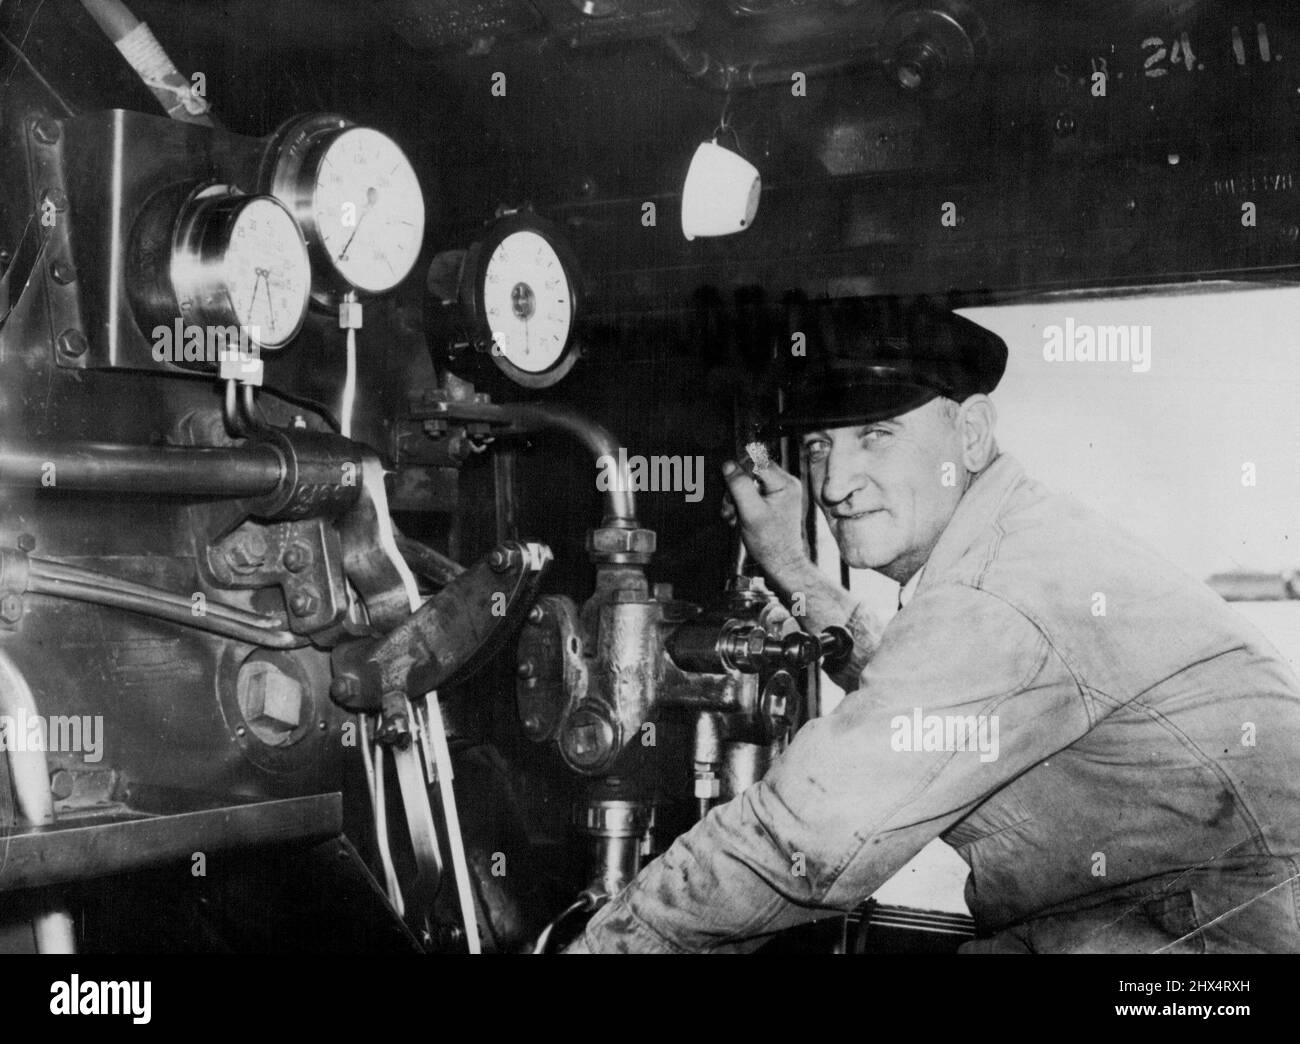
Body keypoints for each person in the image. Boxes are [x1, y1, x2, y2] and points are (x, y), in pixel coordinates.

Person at [566, 300, 1300, 953]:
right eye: (821, 445)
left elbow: (804, 839)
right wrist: (792, 567)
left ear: (972, 434)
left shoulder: (997, 593)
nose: (832, 483)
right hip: (1148, 921)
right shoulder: (1012, 542)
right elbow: (928, 706)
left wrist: (606, 946)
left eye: (876, 436)